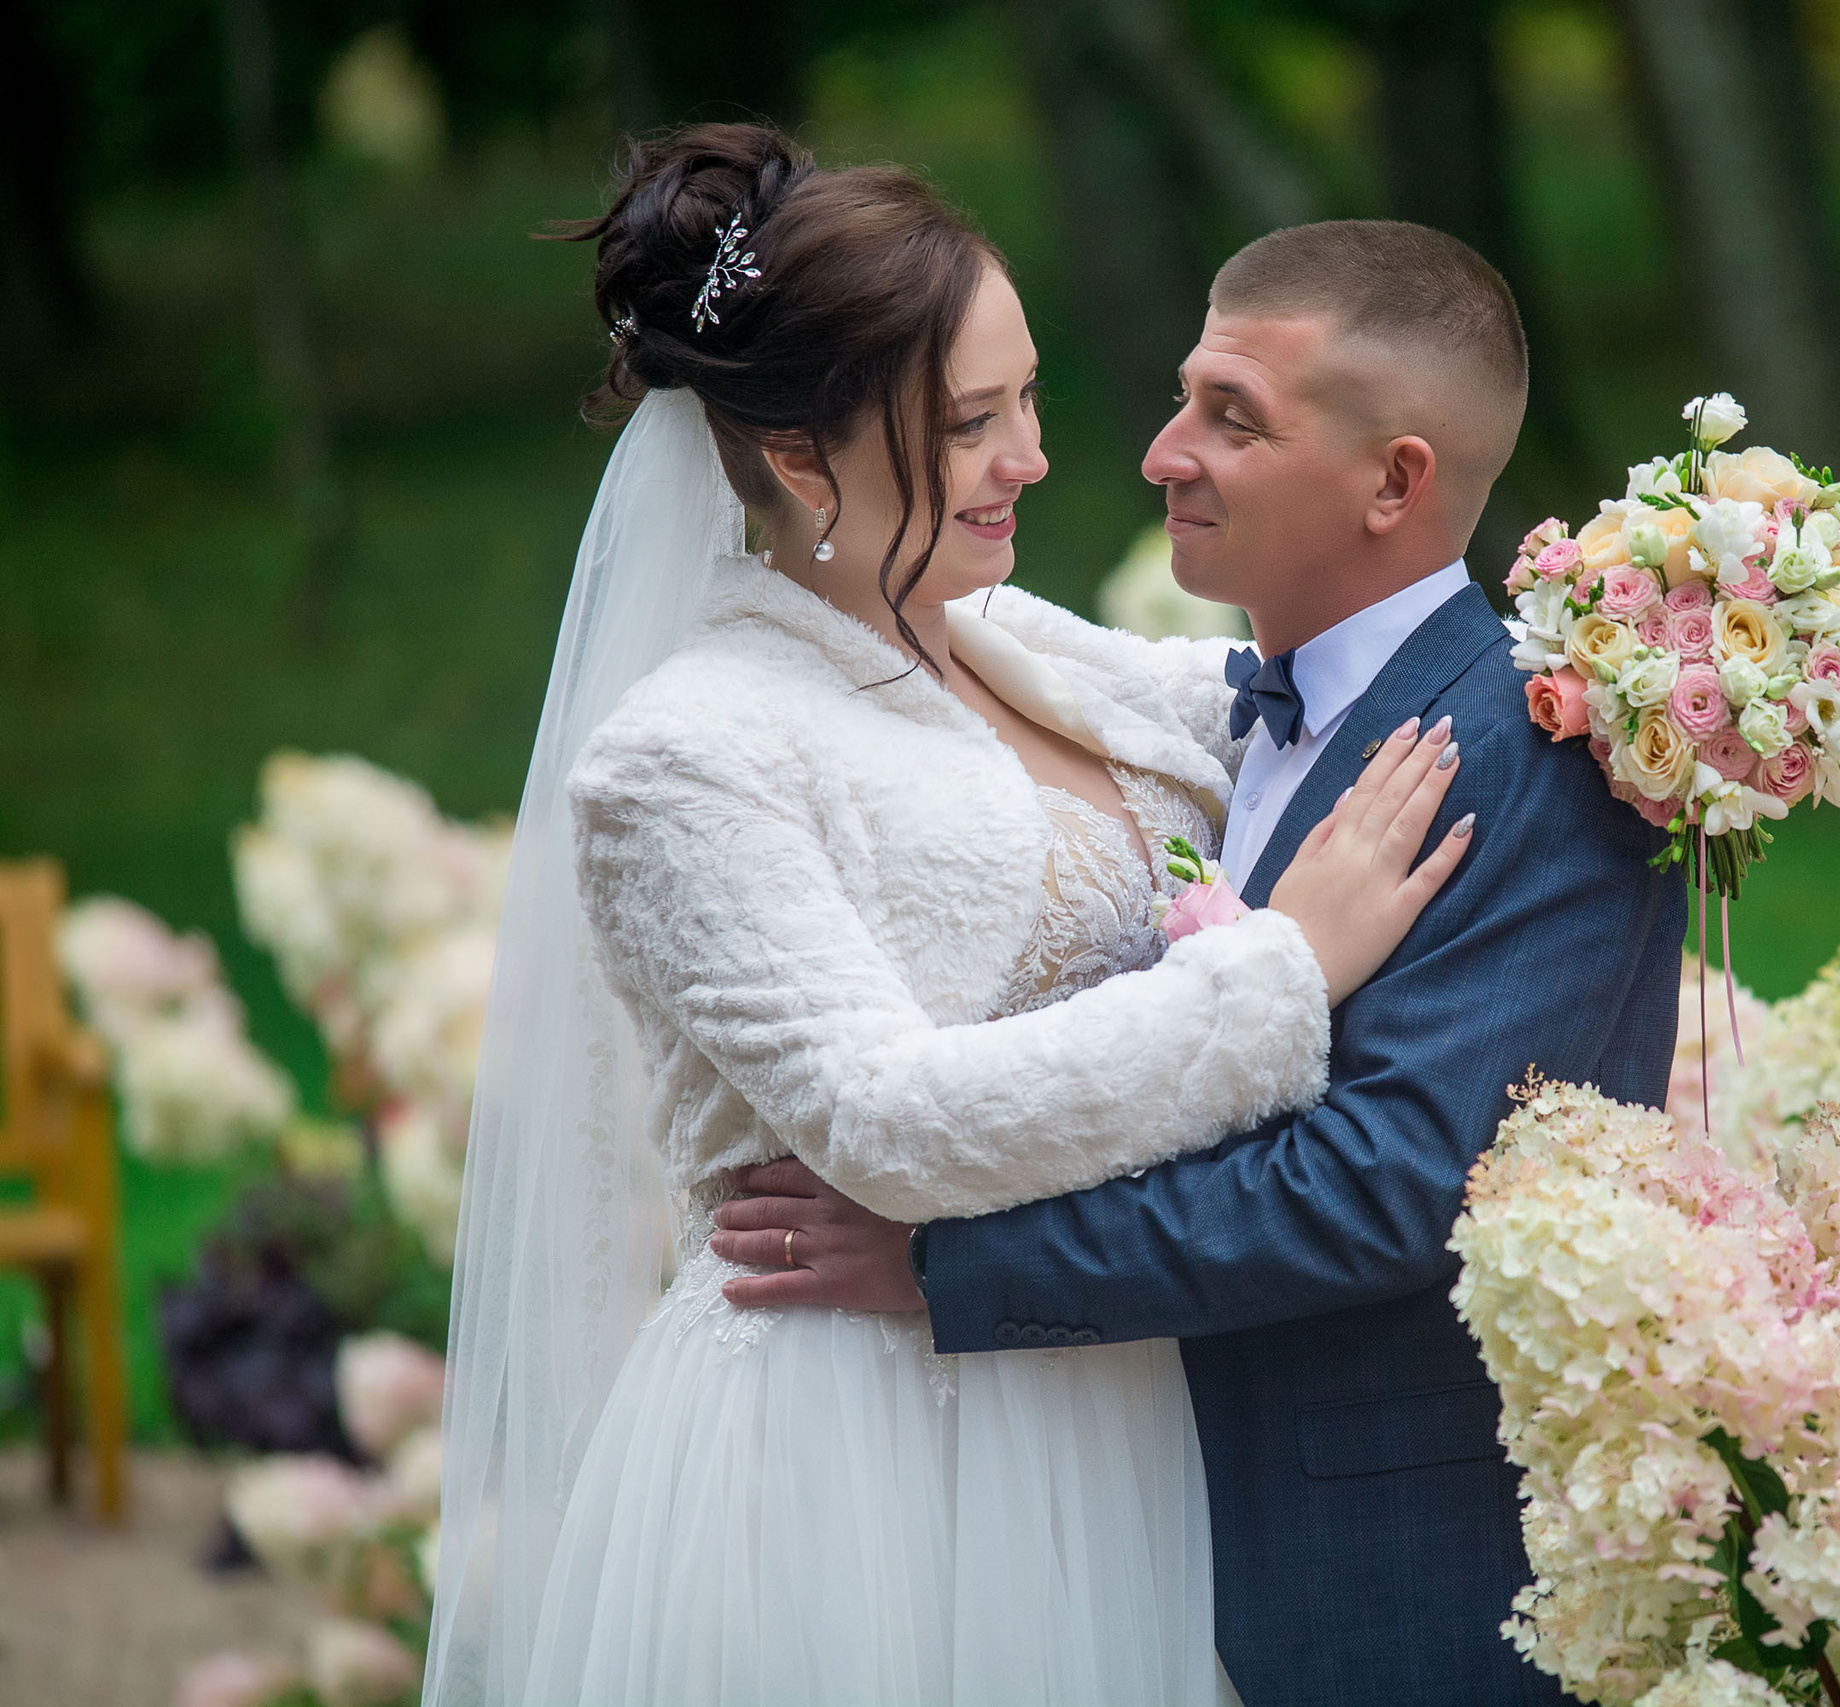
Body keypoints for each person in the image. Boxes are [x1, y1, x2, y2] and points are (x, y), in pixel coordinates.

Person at [424, 125, 1475, 1707]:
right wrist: (1279, 973)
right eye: (973, 422)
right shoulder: (688, 754)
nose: (1034, 456)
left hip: (1106, 1404)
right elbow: (885, 1122)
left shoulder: (999, 634)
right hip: (859, 1449)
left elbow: (1289, 704)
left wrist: (1631, 637)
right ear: (797, 458)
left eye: (1028, 393)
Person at [714, 221, 1689, 1704]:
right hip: (1154, 1528)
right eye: (1183, 399)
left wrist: (944, 1266)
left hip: (1400, 1576)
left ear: (1396, 482)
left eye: (1231, 418)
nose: (1162, 451)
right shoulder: (1215, 722)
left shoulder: (1529, 760)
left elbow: (1384, 1187)